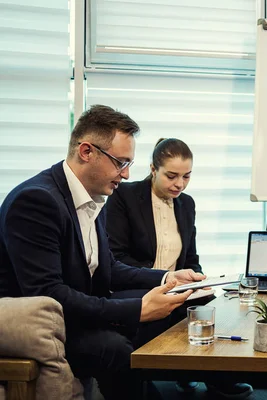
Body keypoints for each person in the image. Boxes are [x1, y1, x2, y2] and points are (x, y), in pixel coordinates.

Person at [0, 105, 205, 400]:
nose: (127, 173)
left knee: (162, 317)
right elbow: (48, 294)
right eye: (121, 162)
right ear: (86, 152)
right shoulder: (36, 201)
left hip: (71, 313)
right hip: (39, 328)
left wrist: (167, 278)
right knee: (116, 349)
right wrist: (136, 310)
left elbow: (108, 267)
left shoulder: (94, 196)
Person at [105, 138, 202, 274]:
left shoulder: (187, 204)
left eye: (186, 176)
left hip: (175, 289)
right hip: (135, 286)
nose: (180, 184)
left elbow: (190, 261)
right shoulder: (124, 196)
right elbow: (116, 256)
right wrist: (162, 278)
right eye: (171, 176)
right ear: (153, 169)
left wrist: (198, 280)